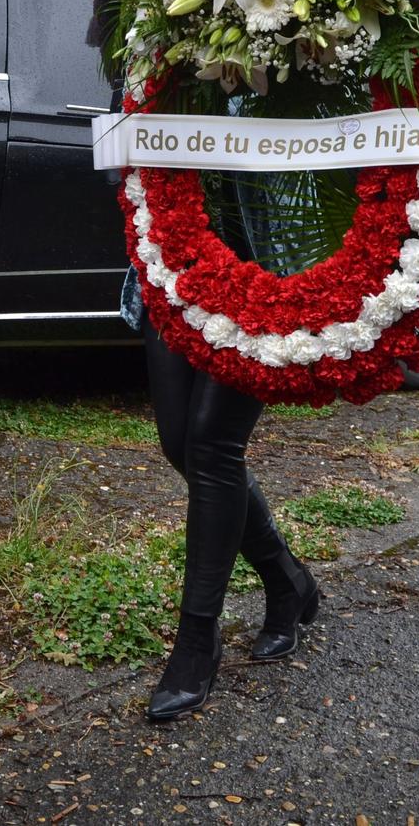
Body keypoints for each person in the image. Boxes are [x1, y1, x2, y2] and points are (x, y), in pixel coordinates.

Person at [138, 309, 321, 721]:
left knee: (212, 445)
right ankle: (287, 579)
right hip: (167, 270)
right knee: (180, 444)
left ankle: (198, 639)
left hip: (257, 278)